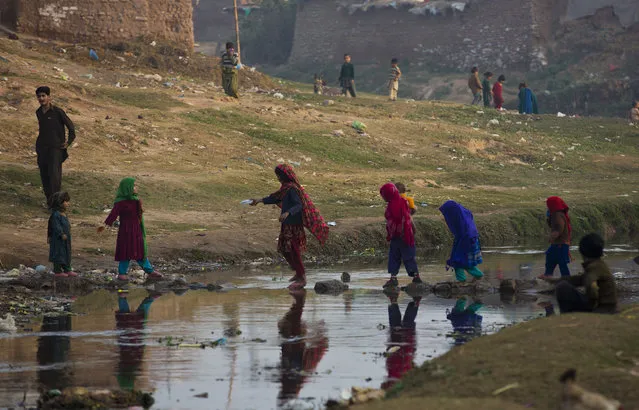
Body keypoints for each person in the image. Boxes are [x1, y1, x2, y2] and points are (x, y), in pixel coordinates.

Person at [251, 164, 329, 290]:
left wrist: (287, 213)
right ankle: (298, 273)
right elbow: (275, 198)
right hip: (286, 224)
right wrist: (259, 200)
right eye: (277, 176)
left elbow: (299, 205)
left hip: (294, 225)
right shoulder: (285, 188)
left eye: (279, 176)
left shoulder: (292, 189)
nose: (278, 178)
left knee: (294, 250)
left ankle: (302, 278)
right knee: (284, 249)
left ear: (285, 176)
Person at [99, 178, 163, 282]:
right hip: (125, 231)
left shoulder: (136, 200)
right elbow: (113, 215)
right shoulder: (120, 202)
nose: (136, 187)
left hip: (136, 230)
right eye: (134, 185)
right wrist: (105, 225)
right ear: (127, 188)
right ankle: (122, 273)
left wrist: (141, 210)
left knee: (140, 250)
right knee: (126, 251)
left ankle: (149, 271)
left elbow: (139, 215)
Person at [539, 233, 618, 314]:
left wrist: (591, 300)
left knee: (562, 288)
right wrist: (553, 280)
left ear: (582, 252)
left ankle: (567, 317)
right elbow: (578, 279)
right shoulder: (600, 264)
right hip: (608, 306)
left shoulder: (593, 267)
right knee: (563, 284)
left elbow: (590, 284)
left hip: (603, 309)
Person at [277, 290, 328, 406]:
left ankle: (299, 297)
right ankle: (299, 297)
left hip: (297, 352)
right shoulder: (295, 378)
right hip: (298, 351)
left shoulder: (294, 378)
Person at [35, 86, 76, 203]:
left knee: (54, 177)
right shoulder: (38, 112)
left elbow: (71, 127)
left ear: (49, 97)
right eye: (39, 96)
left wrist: (68, 142)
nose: (41, 98)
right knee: (44, 175)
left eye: (43, 96)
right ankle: (49, 202)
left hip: (56, 149)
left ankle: (56, 203)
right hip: (42, 148)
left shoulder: (58, 112)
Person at [116, 289, 162, 391]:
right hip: (129, 343)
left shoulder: (132, 369)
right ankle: (123, 297)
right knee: (128, 321)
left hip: (133, 344)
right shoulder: (124, 369)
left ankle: (147, 299)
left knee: (133, 321)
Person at [380, 183, 421, 289]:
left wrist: (390, 233)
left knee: (394, 256)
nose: (383, 197)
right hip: (406, 234)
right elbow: (408, 218)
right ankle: (415, 276)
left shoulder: (392, 205)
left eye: (384, 195)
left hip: (399, 235)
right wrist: (413, 229)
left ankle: (394, 278)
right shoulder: (402, 202)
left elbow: (396, 220)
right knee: (408, 256)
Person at [381, 290, 420, 390]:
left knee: (405, 327)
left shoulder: (402, 382)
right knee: (398, 327)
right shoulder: (401, 382)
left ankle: (414, 304)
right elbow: (384, 385)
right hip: (397, 355)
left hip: (403, 354)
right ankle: (397, 302)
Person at [439, 200, 484, 282]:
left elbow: (464, 237)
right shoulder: (463, 216)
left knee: (458, 263)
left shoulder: (461, 222)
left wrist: (454, 257)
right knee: (467, 264)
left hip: (467, 242)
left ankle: (461, 282)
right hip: (471, 241)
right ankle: (478, 276)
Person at [48, 191, 77, 277]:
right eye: (66, 201)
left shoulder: (63, 214)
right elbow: (56, 226)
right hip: (58, 239)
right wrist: (61, 233)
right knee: (58, 253)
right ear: (60, 202)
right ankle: (57, 271)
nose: (68, 203)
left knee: (66, 253)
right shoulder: (56, 215)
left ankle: (67, 269)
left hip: (66, 238)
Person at [544, 196, 571, 277]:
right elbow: (553, 225)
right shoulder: (556, 214)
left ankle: (566, 278)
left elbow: (559, 228)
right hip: (558, 243)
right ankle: (548, 274)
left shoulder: (557, 215)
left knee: (562, 263)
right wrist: (549, 217)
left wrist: (552, 236)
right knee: (550, 257)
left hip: (560, 244)